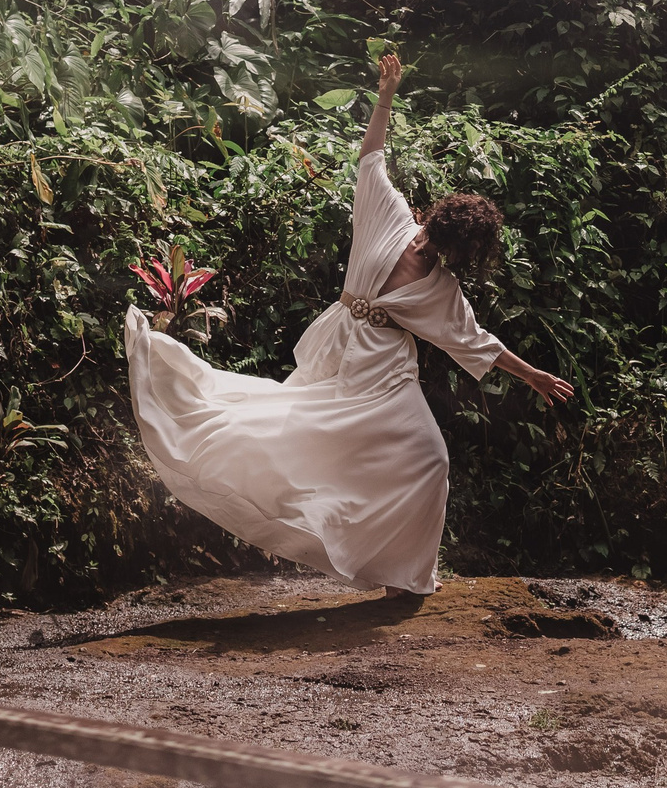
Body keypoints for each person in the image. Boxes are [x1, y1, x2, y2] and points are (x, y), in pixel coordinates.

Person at [124, 53, 575, 598]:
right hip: (342, 347)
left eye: (449, 250)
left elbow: (475, 340)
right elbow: (372, 159)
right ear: (436, 221)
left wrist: (531, 376)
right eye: (438, 237)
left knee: (428, 459)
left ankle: (405, 576)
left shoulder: (440, 288)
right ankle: (345, 539)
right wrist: (385, 95)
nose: (433, 248)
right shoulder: (391, 215)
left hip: (387, 374)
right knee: (292, 433)